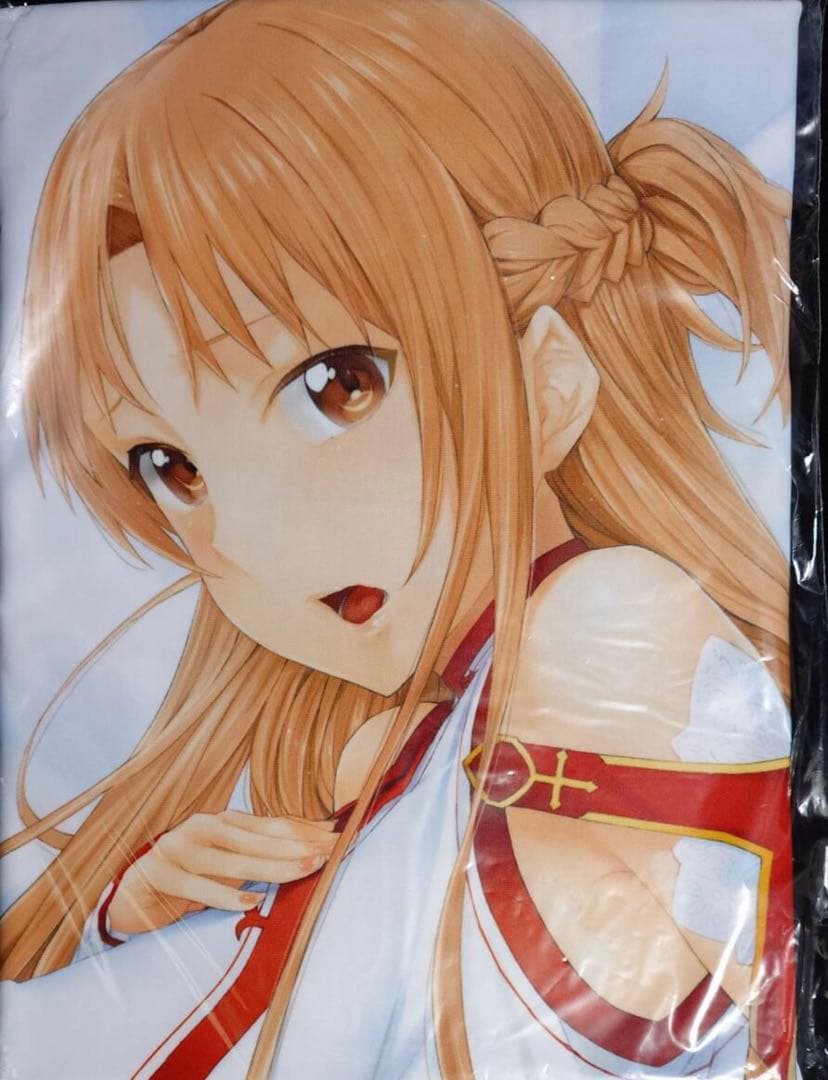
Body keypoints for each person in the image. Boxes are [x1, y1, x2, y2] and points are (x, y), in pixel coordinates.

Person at [0, 0, 795, 1076]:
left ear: (549, 379)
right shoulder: (421, 737)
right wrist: (139, 918)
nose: (256, 539)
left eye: (338, 386)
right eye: (172, 467)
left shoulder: (605, 621)